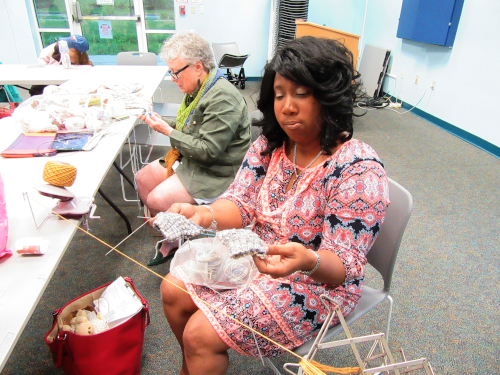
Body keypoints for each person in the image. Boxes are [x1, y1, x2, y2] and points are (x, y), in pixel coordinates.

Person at [158, 36, 391, 375]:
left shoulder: (358, 169)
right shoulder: (272, 145)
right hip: (258, 253)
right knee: (173, 288)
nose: (287, 107)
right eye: (280, 94)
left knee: (199, 333)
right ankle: (193, 366)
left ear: (328, 96)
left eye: (301, 93)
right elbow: (240, 204)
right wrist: (201, 214)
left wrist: (307, 259)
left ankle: (199, 354)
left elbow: (343, 265)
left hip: (315, 283)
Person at [135, 30, 252, 266]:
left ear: (198, 66)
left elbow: (208, 152)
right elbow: (189, 128)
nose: (172, 78)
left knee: (157, 200)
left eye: (175, 72)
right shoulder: (199, 89)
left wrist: (168, 131)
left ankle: (190, 234)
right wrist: (162, 123)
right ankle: (177, 233)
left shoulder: (222, 98)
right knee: (143, 179)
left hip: (218, 171)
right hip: (194, 159)